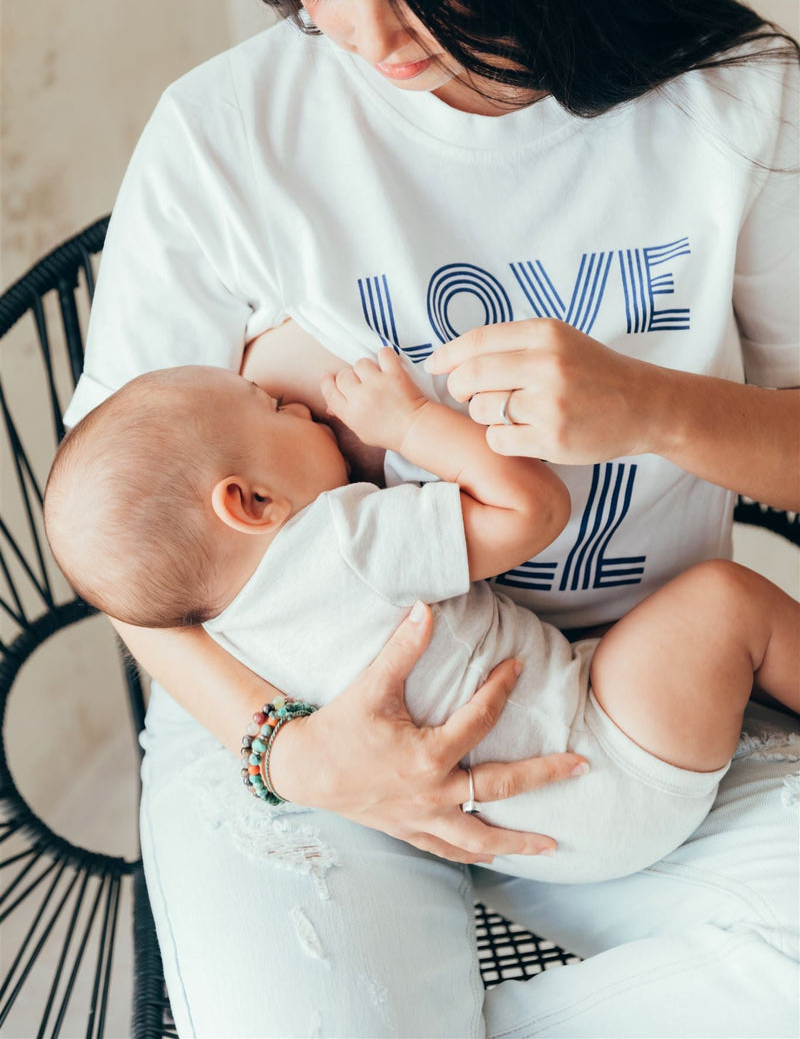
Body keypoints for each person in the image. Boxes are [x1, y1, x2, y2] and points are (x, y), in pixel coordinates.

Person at [62, 0, 799, 1034]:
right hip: (296, 704)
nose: (376, 43)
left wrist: (659, 408)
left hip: (617, 696)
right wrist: (287, 756)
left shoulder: (733, 102)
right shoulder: (223, 136)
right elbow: (128, 556)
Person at [46, 353, 800, 886]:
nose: (304, 408)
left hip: (525, 841)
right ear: (252, 503)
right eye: (275, 410)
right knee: (727, 602)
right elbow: (535, 509)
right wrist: (408, 422)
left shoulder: (230, 628)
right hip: (606, 761)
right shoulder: (341, 543)